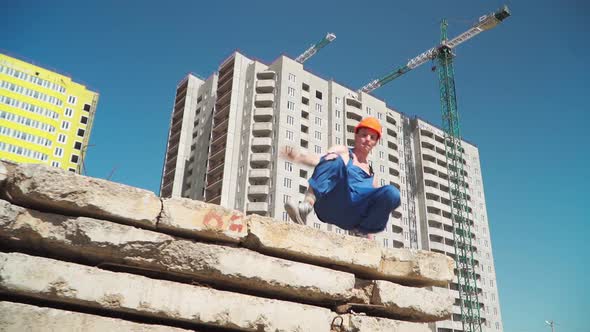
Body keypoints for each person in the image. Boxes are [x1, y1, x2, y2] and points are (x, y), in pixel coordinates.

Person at [282, 117, 401, 238]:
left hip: (352, 218)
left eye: (372, 137)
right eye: (364, 135)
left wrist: (370, 243)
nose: (367, 140)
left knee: (392, 193)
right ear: (356, 136)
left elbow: (372, 207)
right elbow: (320, 160)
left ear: (375, 142)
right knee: (333, 158)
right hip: (331, 204)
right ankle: (306, 206)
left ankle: (362, 232)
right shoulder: (344, 152)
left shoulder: (372, 176)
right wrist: (298, 157)